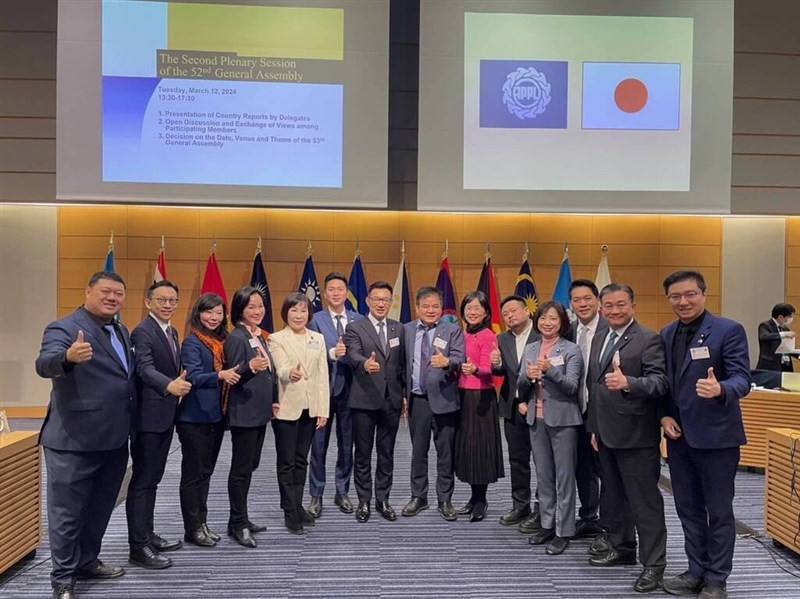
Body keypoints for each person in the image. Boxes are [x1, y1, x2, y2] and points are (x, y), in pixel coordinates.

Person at [35, 271, 134, 599]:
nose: (113, 298)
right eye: (106, 291)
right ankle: (62, 578)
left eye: (119, 293)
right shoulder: (64, 328)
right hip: (73, 441)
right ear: (88, 291)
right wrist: (66, 358)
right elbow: (44, 363)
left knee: (100, 506)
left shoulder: (120, 328)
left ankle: (87, 560)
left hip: (114, 438)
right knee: (66, 513)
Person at [660, 271, 751, 599]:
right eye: (675, 296)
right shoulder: (668, 333)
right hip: (680, 438)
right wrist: (665, 414)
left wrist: (720, 388)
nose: (683, 301)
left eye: (690, 295)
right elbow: (667, 384)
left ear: (703, 294)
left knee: (719, 510)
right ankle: (695, 569)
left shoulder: (728, 330)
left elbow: (742, 378)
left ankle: (717, 579)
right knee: (687, 507)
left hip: (717, 440)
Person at [586, 284, 669, 594]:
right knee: (614, 496)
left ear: (633, 305)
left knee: (644, 503)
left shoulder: (648, 339)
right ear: (601, 308)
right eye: (608, 306)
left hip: (636, 436)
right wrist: (594, 427)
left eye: (621, 304)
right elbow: (594, 387)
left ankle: (654, 566)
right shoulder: (600, 337)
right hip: (605, 433)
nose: (615, 310)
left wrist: (628, 383)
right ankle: (622, 549)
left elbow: (660, 382)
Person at [126, 280, 191, 570]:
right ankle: (138, 547)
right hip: (148, 418)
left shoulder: (172, 331)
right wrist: (170, 386)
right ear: (148, 302)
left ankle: (147, 534)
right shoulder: (142, 331)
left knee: (153, 479)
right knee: (142, 481)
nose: (167, 305)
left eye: (172, 300)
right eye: (162, 300)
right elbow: (144, 369)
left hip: (165, 417)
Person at [517, 301, 583, 555]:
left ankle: (564, 530)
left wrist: (551, 370)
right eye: (543, 318)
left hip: (564, 420)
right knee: (544, 476)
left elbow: (572, 387)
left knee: (564, 479)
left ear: (562, 322)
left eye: (553, 318)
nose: (547, 322)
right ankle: (546, 524)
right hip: (537, 418)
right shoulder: (532, 347)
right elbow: (522, 381)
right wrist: (529, 375)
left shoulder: (571, 350)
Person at [178, 293, 240, 548]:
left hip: (216, 416)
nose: (214, 317)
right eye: (208, 312)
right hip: (194, 417)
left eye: (218, 313)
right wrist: (219, 375)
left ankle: (201, 522)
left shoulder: (223, 340)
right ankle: (192, 528)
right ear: (198, 313)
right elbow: (192, 375)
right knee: (193, 475)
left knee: (206, 472)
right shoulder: (192, 342)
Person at [343, 281, 405, 522]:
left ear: (391, 303)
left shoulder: (398, 328)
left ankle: (383, 499)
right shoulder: (355, 327)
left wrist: (405, 397)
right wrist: (364, 364)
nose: (381, 303)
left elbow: (402, 365)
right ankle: (364, 501)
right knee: (363, 453)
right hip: (364, 399)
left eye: (385, 300)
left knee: (387, 453)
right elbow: (353, 352)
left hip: (392, 400)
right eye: (376, 299)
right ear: (368, 301)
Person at [402, 286, 465, 521]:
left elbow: (460, 358)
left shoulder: (452, 330)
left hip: (446, 400)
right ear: (417, 308)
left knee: (445, 452)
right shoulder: (406, 330)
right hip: (418, 400)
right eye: (425, 306)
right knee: (418, 451)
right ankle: (418, 496)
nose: (430, 310)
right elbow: (401, 366)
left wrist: (447, 361)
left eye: (435, 306)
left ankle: (445, 499)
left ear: (441, 308)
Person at [269, 292, 330, 534]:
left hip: (310, 406)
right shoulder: (276, 338)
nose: (298, 315)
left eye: (303, 310)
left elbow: (322, 375)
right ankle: (289, 509)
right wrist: (289, 373)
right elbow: (280, 367)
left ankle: (298, 504)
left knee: (302, 459)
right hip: (286, 406)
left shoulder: (318, 338)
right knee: (287, 461)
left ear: (309, 314)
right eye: (294, 310)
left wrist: (323, 409)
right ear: (286, 313)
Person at [223, 286, 278, 547]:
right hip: (243, 413)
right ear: (240, 310)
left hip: (259, 413)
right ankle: (237, 522)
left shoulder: (257, 336)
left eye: (260, 306)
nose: (257, 311)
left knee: (250, 467)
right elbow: (233, 376)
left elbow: (269, 371)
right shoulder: (237, 338)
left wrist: (274, 401)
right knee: (241, 470)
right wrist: (249, 367)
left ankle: (242, 517)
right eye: (251, 307)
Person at [307, 272, 362, 518]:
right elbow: (307, 352)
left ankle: (342, 492)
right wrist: (331, 353)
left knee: (346, 445)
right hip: (322, 391)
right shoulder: (315, 319)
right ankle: (316, 495)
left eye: (340, 289)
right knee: (318, 446)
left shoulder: (358, 319)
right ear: (325, 292)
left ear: (346, 291)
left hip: (352, 391)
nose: (336, 293)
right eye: (331, 289)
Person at [491, 295, 541, 533]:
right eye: (506, 313)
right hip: (512, 408)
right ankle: (520, 505)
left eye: (514, 311)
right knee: (518, 460)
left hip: (541, 408)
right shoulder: (502, 339)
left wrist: (529, 402)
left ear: (527, 311)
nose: (510, 316)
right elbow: (504, 372)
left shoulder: (543, 336)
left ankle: (544, 509)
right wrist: (495, 364)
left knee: (544, 462)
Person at [454, 291, 504, 522]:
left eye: (477, 308)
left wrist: (475, 369)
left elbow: (489, 369)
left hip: (481, 398)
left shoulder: (488, 335)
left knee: (480, 448)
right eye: (468, 307)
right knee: (467, 447)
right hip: (461, 395)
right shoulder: (460, 334)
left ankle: (481, 500)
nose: (472, 312)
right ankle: (473, 498)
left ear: (486, 312)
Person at [567, 280, 608, 546]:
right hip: (575, 412)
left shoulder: (609, 330)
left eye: (587, 299)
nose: (582, 304)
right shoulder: (569, 331)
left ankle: (610, 525)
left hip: (604, 414)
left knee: (607, 471)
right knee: (583, 469)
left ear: (597, 300)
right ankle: (589, 516)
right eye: (576, 300)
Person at [756, 302, 796, 372]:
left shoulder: (785, 329)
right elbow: (764, 336)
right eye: (790, 316)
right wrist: (783, 334)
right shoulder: (765, 325)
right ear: (780, 317)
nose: (791, 319)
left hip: (784, 366)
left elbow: (787, 348)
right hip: (769, 366)